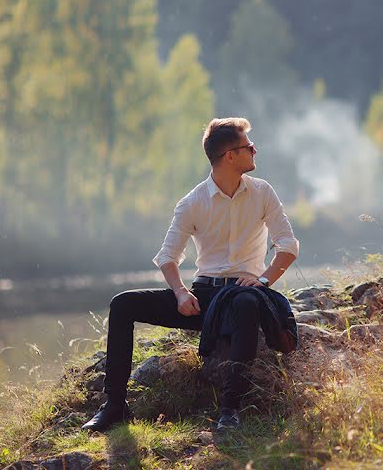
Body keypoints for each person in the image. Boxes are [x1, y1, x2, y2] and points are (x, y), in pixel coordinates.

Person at [82, 117, 300, 433]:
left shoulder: (263, 192)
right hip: (205, 299)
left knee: (247, 302)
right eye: (248, 146)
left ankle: (229, 411)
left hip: (245, 293)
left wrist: (264, 280)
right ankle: (114, 405)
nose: (255, 150)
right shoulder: (192, 202)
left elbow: (288, 246)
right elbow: (168, 258)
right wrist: (182, 293)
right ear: (230, 156)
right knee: (122, 304)